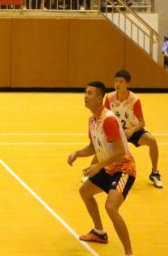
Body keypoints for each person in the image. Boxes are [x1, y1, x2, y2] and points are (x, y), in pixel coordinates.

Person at [67, 81, 135, 255]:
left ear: (99, 98)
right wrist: (77, 153)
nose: (85, 96)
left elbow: (120, 151)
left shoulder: (108, 120)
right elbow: (93, 147)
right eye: (85, 92)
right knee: (85, 192)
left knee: (111, 207)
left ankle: (129, 253)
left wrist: (98, 166)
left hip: (124, 169)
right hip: (108, 167)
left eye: (89, 93)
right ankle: (99, 233)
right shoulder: (92, 120)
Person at [105, 70, 163, 189]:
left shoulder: (134, 100)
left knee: (152, 140)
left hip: (132, 131)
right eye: (116, 81)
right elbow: (104, 117)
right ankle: (94, 173)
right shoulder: (109, 98)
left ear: (127, 84)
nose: (117, 84)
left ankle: (155, 173)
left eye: (121, 82)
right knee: (101, 143)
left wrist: (132, 130)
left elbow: (142, 123)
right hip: (117, 132)